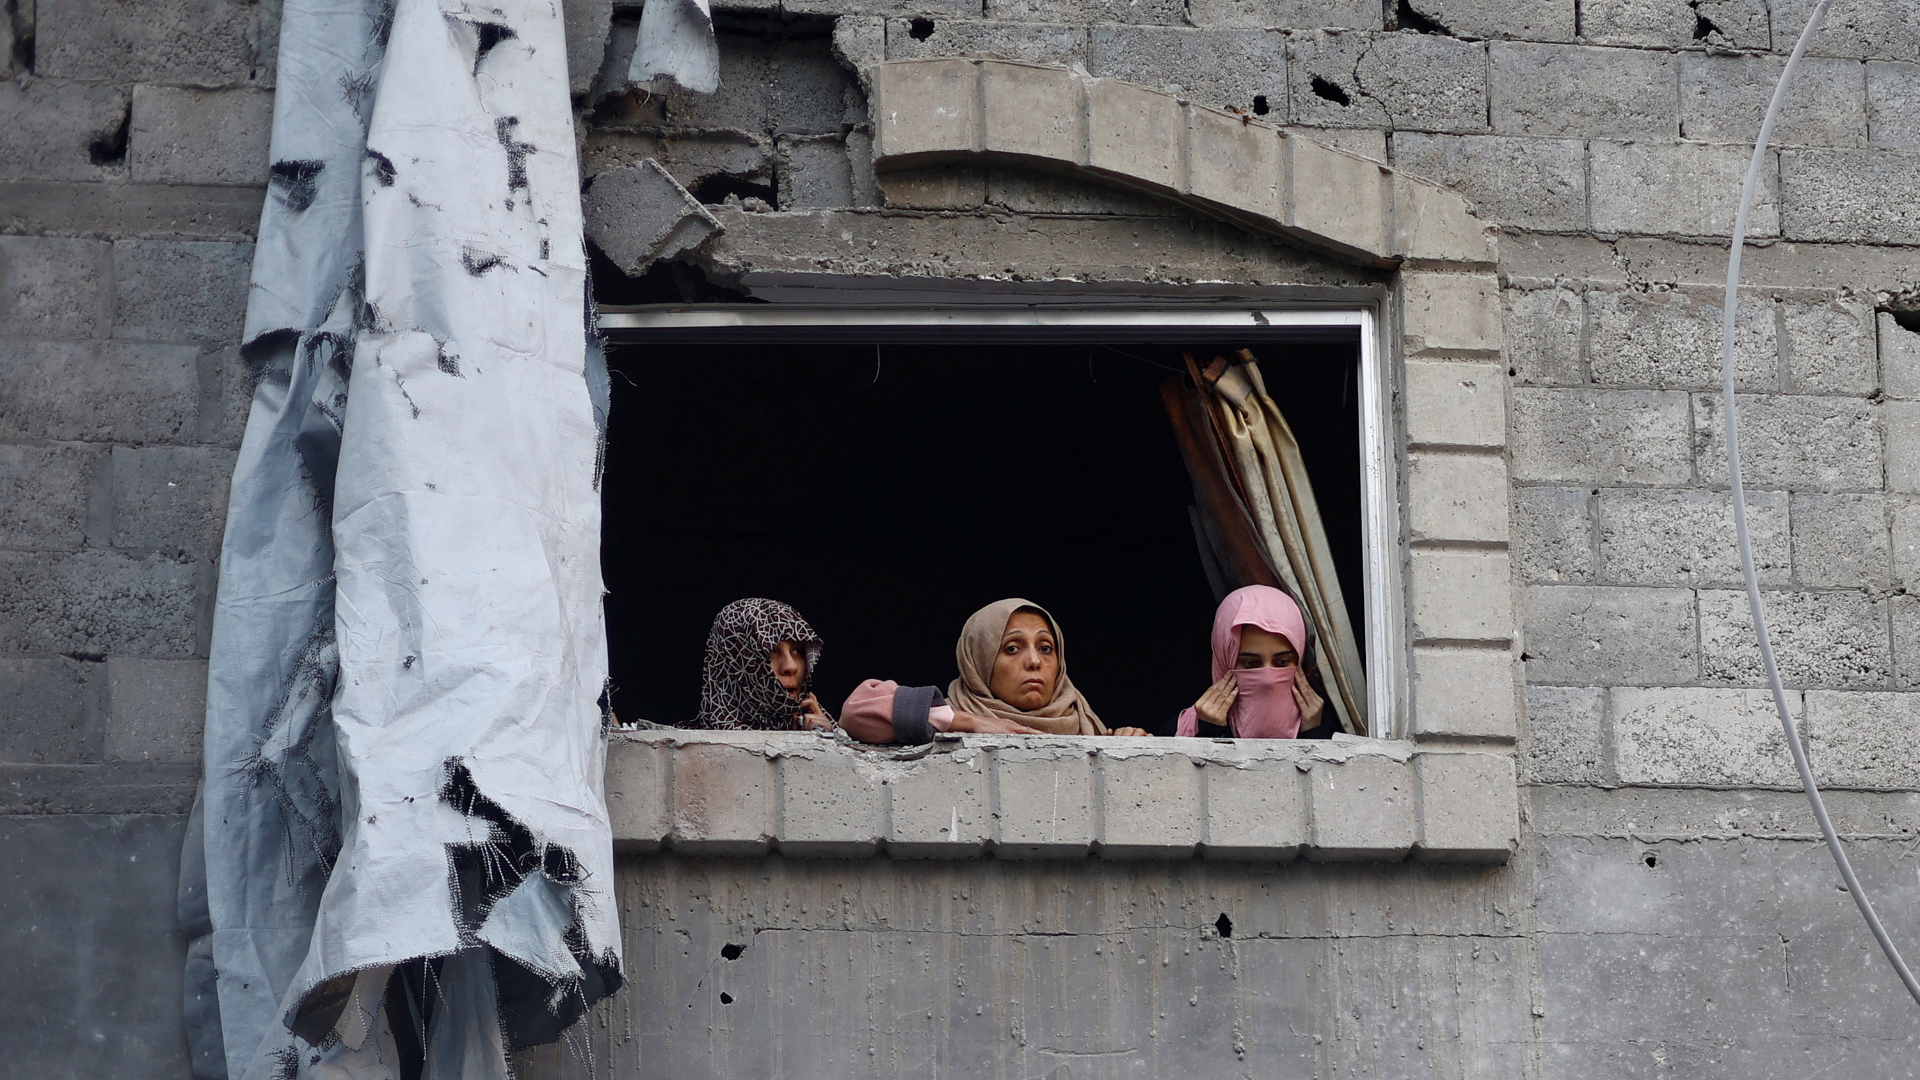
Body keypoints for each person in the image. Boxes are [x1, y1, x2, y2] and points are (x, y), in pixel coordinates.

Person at [1176, 584, 1334, 739]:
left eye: (1282, 662)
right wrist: (1210, 734)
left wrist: (1315, 734)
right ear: (1224, 662)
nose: (1268, 679)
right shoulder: (1179, 734)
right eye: (1250, 664)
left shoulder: (1330, 729)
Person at [691, 598, 834, 731]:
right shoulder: (686, 750)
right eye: (770, 652)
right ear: (735, 663)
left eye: (798, 651)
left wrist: (825, 738)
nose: (791, 667)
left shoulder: (827, 732)